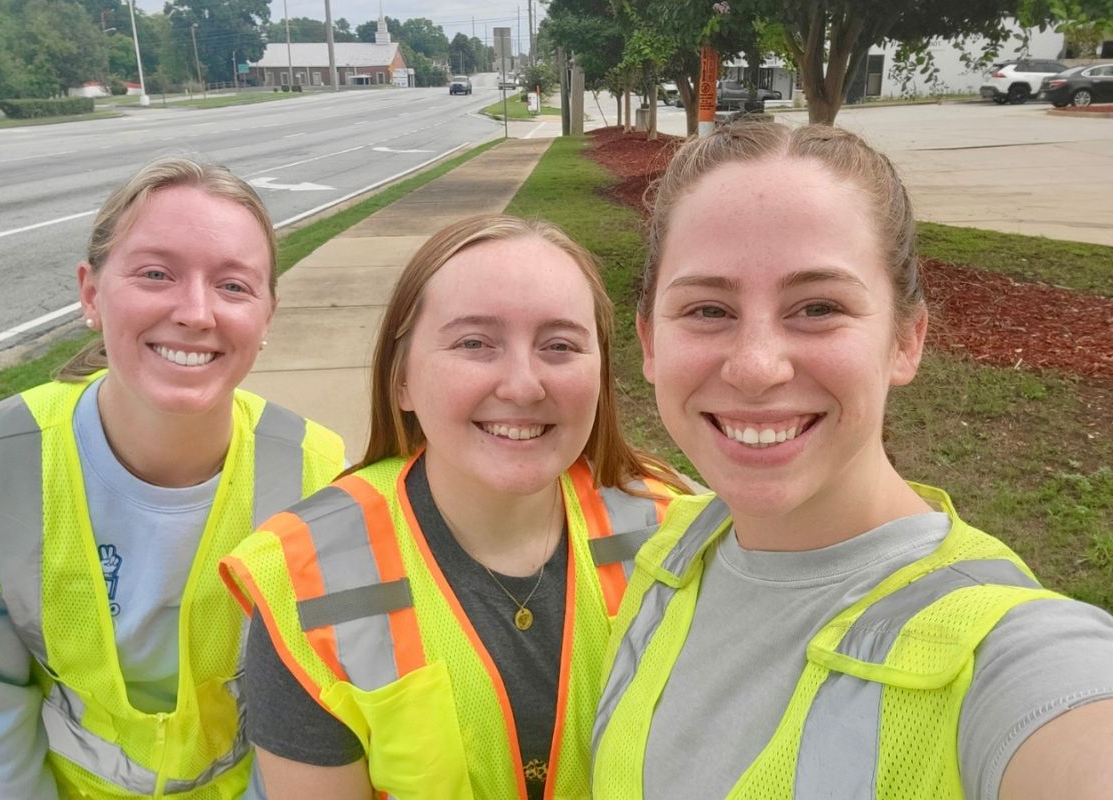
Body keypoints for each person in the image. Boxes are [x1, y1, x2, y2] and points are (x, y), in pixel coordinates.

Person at [590, 122, 1113, 799]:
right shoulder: (670, 557)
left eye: (818, 307)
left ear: (906, 339)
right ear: (650, 342)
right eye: (709, 308)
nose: (755, 366)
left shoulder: (1009, 654)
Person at [0, 157, 345, 799]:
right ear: (90, 293)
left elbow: (318, 706)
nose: (196, 312)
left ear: (267, 315)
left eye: (234, 286)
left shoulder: (317, 476)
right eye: (156, 274)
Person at [218, 214, 691, 800]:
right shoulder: (305, 581)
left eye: (560, 346)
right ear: (402, 381)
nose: (523, 385)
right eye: (474, 343)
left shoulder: (678, 537)